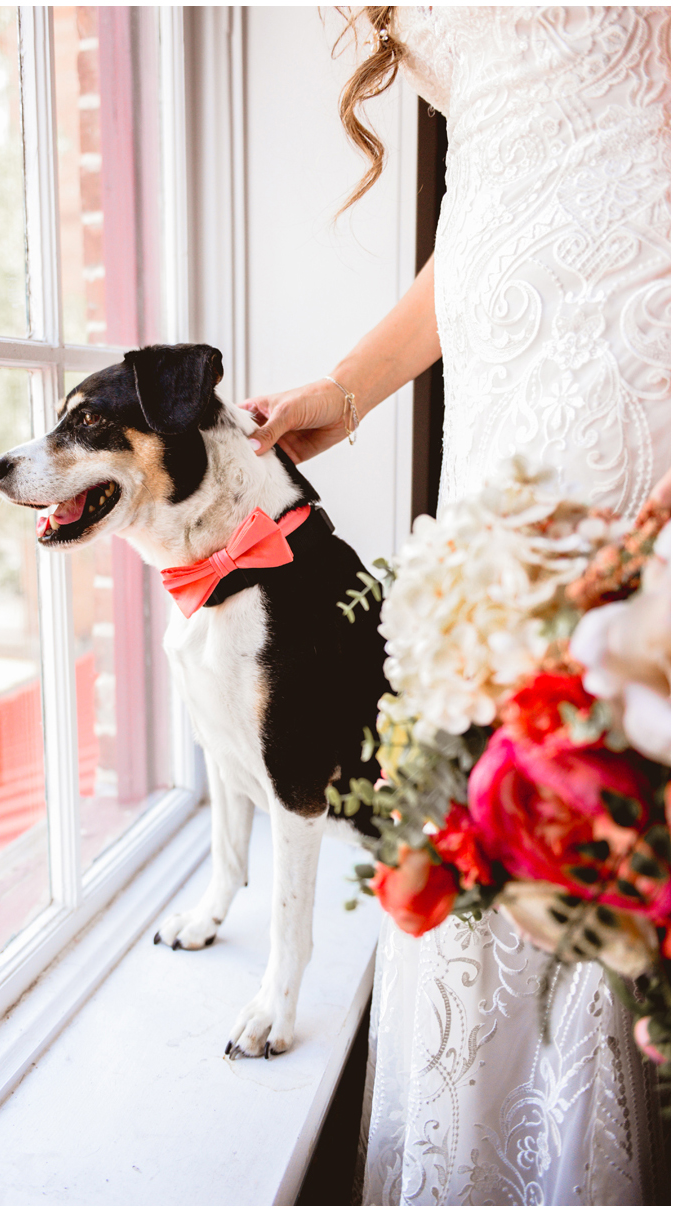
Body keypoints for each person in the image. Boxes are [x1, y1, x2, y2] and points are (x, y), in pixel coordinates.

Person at [240, 8, 668, 1205]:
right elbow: (507, 188)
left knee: (612, 757)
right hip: (509, 398)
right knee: (488, 760)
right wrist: (348, 387)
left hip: (645, 362)